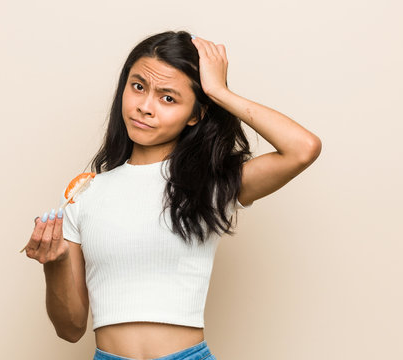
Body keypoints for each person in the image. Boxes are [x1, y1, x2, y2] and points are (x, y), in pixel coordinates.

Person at [23, 30, 322, 360]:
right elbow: (70, 329)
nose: (145, 107)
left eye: (168, 98)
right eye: (138, 87)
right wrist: (54, 262)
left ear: (196, 114)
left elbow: (302, 149)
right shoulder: (86, 194)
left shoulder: (211, 184)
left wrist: (219, 91)